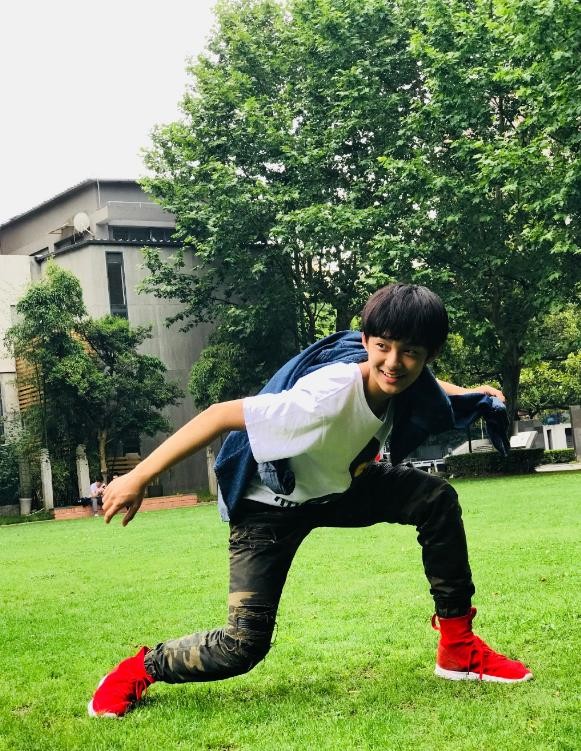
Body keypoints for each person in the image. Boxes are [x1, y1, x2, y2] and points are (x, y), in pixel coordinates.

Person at [88, 283, 532, 718]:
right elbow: (219, 415)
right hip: (269, 507)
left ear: (428, 355)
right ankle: (140, 668)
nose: (394, 362)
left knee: (435, 499)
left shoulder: (406, 377)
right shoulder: (326, 395)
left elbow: (426, 382)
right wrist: (138, 476)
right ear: (366, 342)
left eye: (410, 352)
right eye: (383, 347)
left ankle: (458, 648)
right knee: (241, 646)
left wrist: (470, 392)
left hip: (337, 490)